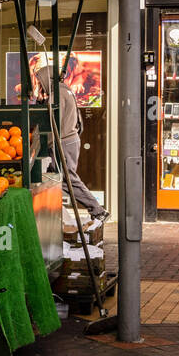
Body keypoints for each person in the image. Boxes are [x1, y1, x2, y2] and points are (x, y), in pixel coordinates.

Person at [37, 66, 108, 232]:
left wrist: (44, 142)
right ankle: (64, 216)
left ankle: (97, 210)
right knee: (60, 179)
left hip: (63, 141)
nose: (40, 85)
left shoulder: (57, 95)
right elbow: (77, 120)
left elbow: (52, 121)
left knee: (67, 179)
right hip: (70, 139)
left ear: (47, 79)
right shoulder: (66, 90)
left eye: (41, 81)